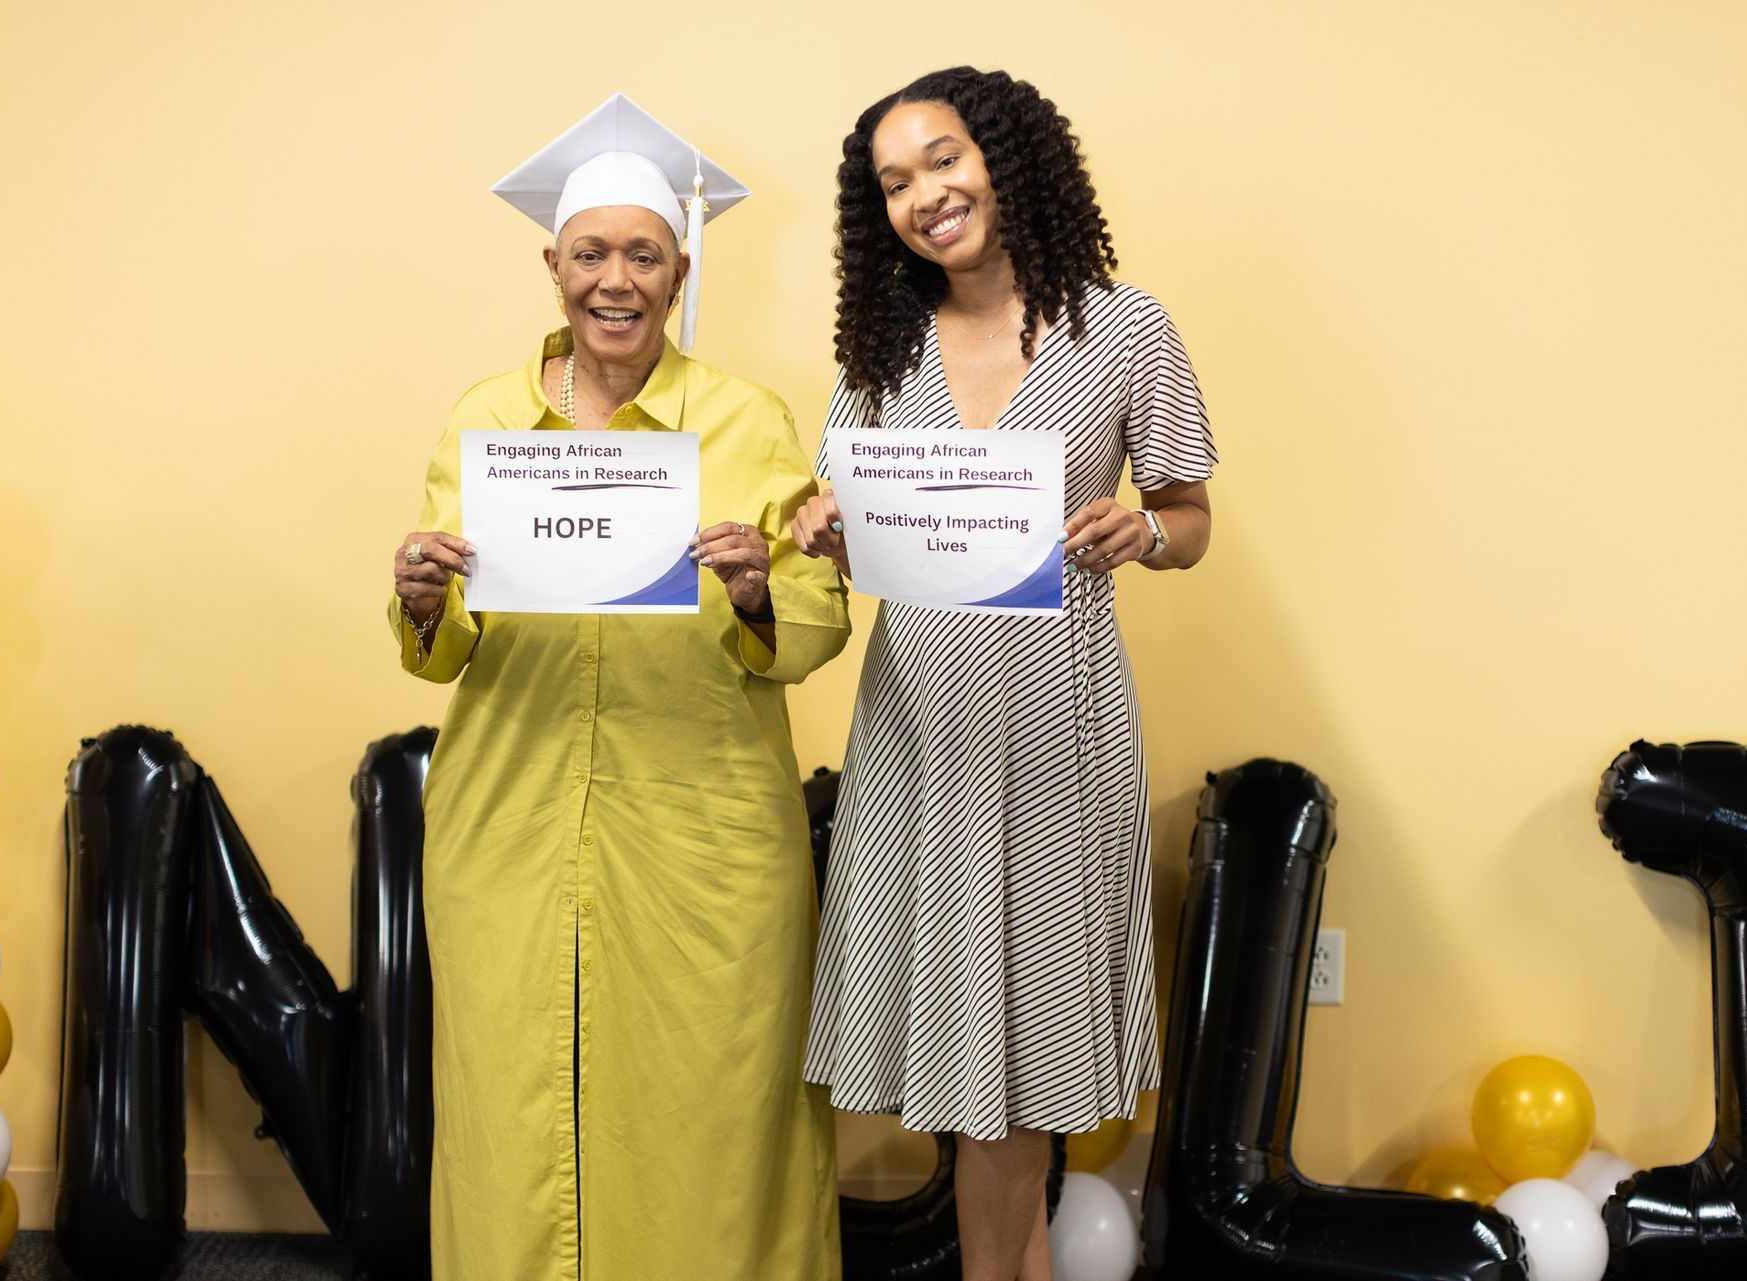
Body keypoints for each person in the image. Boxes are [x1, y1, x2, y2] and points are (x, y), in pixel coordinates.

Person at [389, 94, 849, 1281]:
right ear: (552, 267)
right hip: (509, 826)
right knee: (511, 1110)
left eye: (643, 254)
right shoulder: (486, 419)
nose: (616, 279)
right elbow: (442, 644)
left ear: (680, 269)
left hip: (705, 833)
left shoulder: (746, 422)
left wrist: (756, 589)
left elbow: (814, 625)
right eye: (590, 252)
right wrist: (423, 594)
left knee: (711, 1112)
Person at [794, 67, 1216, 1281]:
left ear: (1009, 158)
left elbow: (1190, 514)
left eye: (943, 158)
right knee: (975, 1083)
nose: (924, 194)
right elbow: (850, 517)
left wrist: (1145, 534)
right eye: (893, 183)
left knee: (1016, 1083)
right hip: (920, 740)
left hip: (1055, 743)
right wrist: (827, 523)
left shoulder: (1123, 328)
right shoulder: (880, 352)